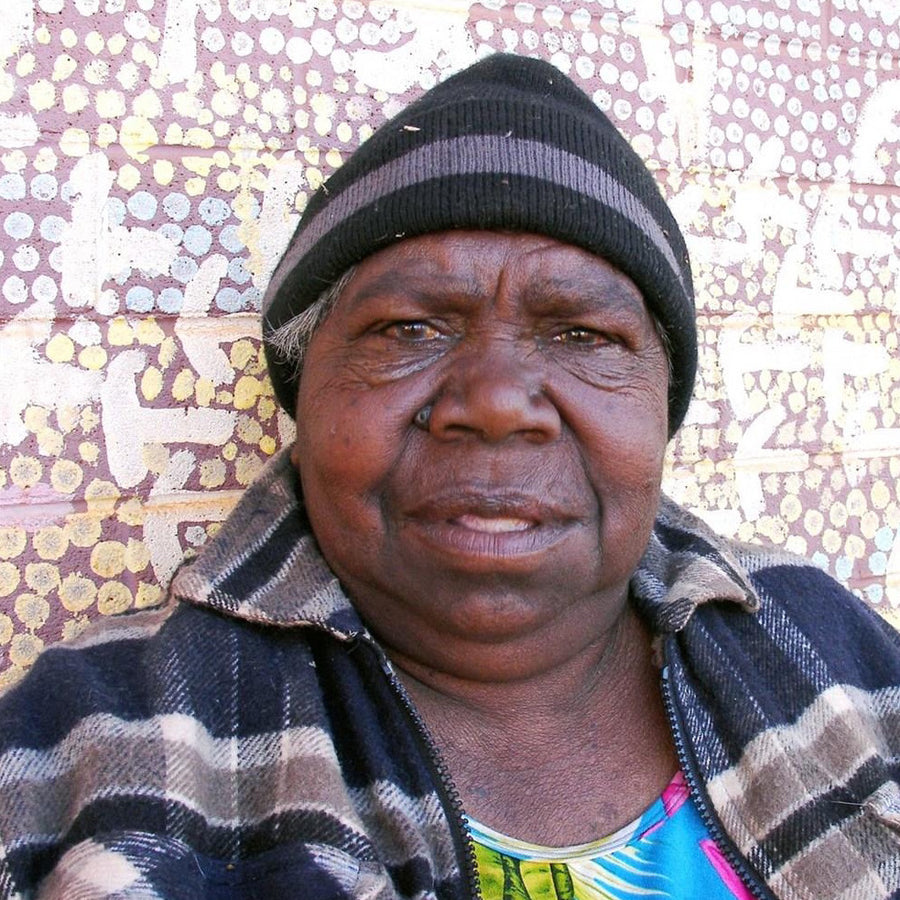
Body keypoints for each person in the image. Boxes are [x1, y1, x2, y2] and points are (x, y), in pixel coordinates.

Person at [1, 53, 899, 900]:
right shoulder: (90, 741)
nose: (499, 401)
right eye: (410, 329)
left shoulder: (829, 646)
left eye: (583, 335)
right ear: (303, 394)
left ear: (661, 403)